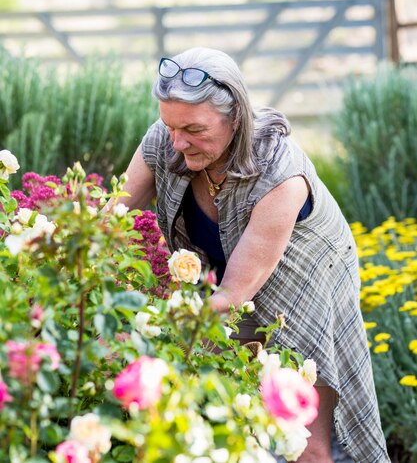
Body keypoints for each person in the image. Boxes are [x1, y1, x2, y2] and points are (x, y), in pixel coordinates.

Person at [115, 47, 389, 463]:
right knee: (225, 426)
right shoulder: (165, 140)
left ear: (236, 118)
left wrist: (153, 334)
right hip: (225, 284)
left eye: (193, 129)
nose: (178, 141)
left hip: (305, 280)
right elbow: (109, 217)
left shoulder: (281, 173)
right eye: (170, 126)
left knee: (301, 441)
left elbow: (231, 297)